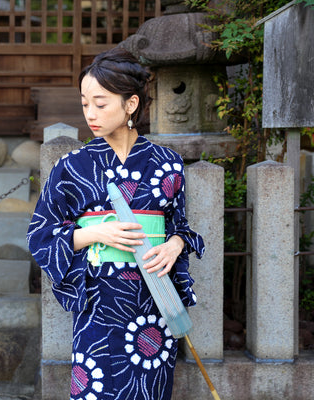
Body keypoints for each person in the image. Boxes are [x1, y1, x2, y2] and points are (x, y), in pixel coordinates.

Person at [26, 46, 205, 400]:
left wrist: (175, 245)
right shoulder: (72, 166)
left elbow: (179, 226)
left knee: (150, 389)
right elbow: (40, 236)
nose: (90, 113)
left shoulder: (167, 163)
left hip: (151, 302)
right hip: (97, 305)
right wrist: (94, 232)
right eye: (84, 103)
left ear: (131, 105)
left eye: (101, 103)